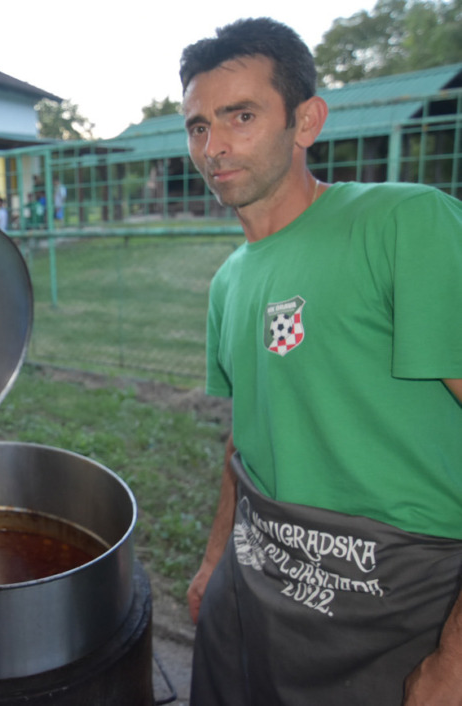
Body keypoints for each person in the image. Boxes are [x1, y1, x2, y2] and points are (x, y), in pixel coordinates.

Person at [180, 17, 462, 706]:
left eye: (239, 116)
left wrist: (454, 658)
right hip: (258, 581)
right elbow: (246, 434)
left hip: (397, 599)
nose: (212, 147)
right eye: (196, 126)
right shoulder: (227, 281)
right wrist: (216, 558)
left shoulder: (404, 225)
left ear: (304, 121)